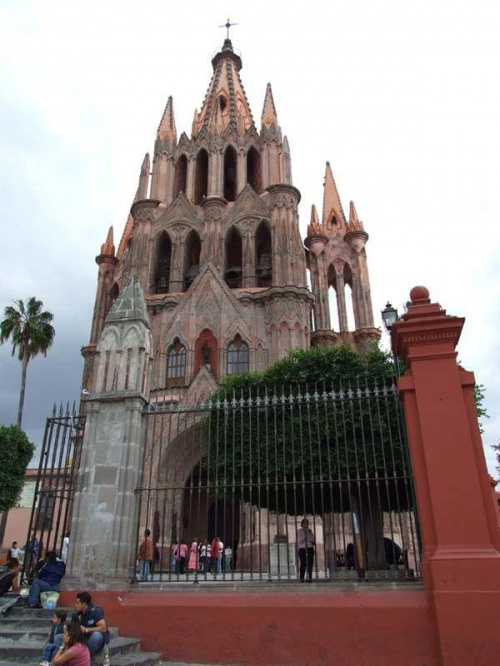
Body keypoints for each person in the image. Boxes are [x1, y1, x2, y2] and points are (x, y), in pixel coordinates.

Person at [71, 591, 109, 657]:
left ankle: (84, 657)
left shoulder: (95, 611)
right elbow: (73, 629)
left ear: (84, 604)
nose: (75, 605)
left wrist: (86, 629)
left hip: (95, 641)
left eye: (77, 603)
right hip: (82, 640)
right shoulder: (76, 613)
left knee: (97, 635)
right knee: (59, 637)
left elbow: (103, 628)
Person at [297, 518, 315, 582]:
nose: (306, 524)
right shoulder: (299, 531)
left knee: (310, 563)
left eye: (307, 523)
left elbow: (313, 540)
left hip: (310, 548)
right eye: (305, 523)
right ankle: (301, 578)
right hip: (302, 548)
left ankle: (309, 578)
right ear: (302, 524)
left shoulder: (310, 531)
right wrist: (305, 534)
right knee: (303, 563)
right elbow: (300, 540)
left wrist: (309, 534)